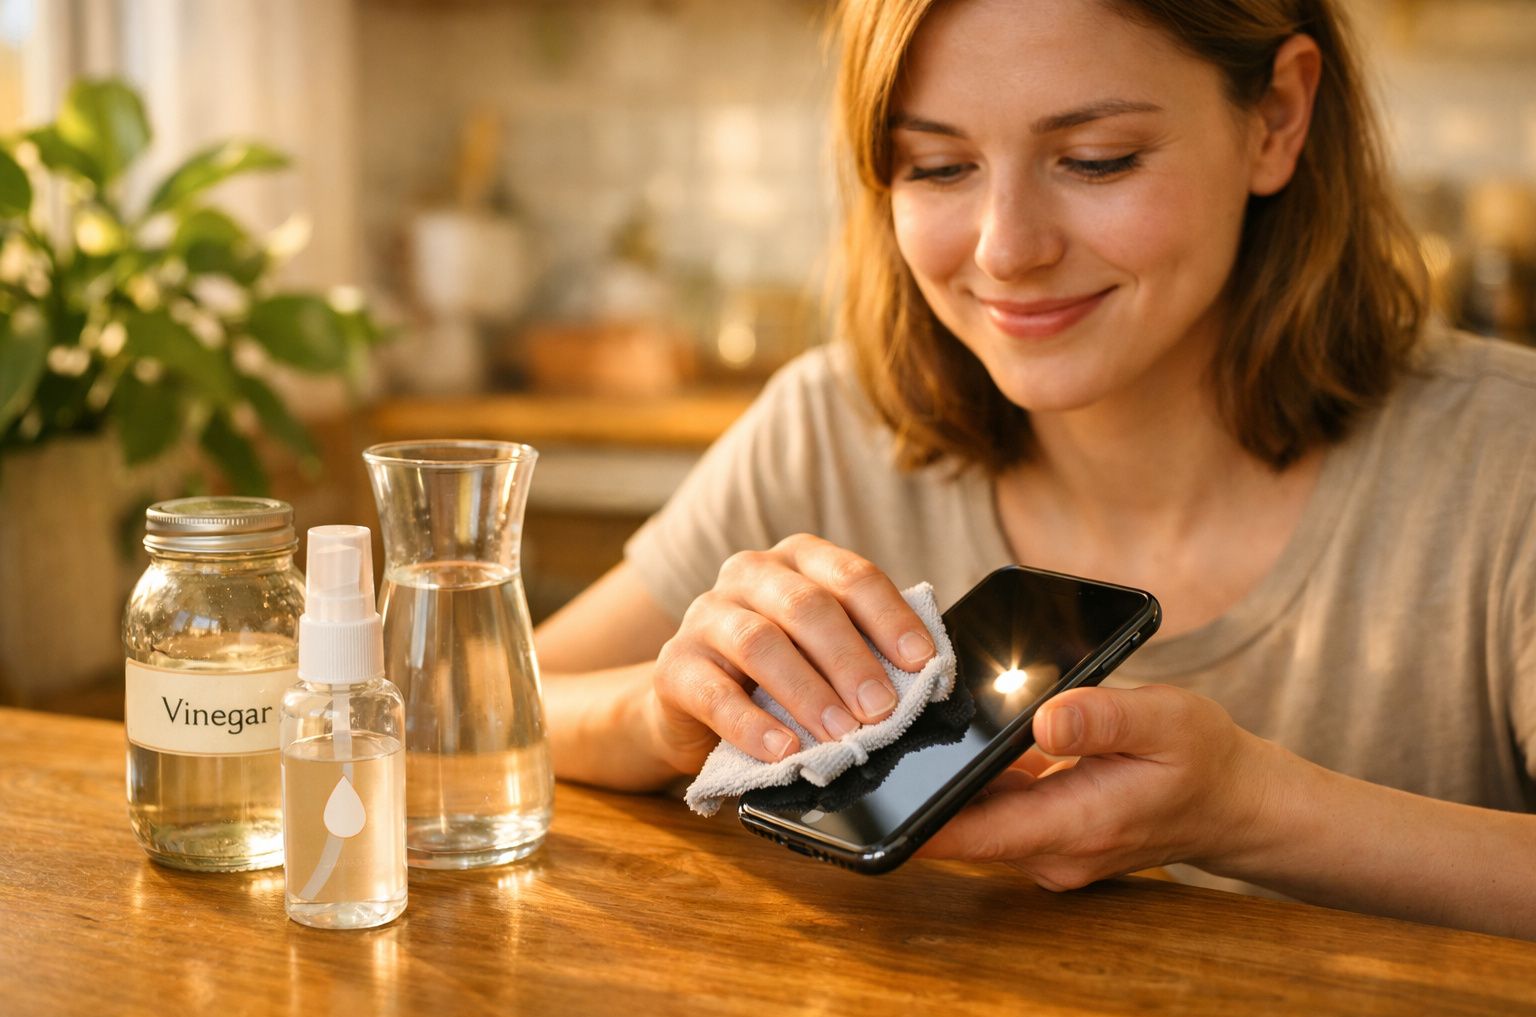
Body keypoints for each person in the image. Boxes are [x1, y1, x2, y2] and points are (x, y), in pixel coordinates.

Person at [533, 0, 1536, 939]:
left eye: (1098, 160)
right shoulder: (831, 426)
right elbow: (483, 709)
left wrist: (1251, 813)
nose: (1007, 249)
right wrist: (667, 716)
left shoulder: (1505, 455)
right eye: (934, 168)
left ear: (1276, 118)